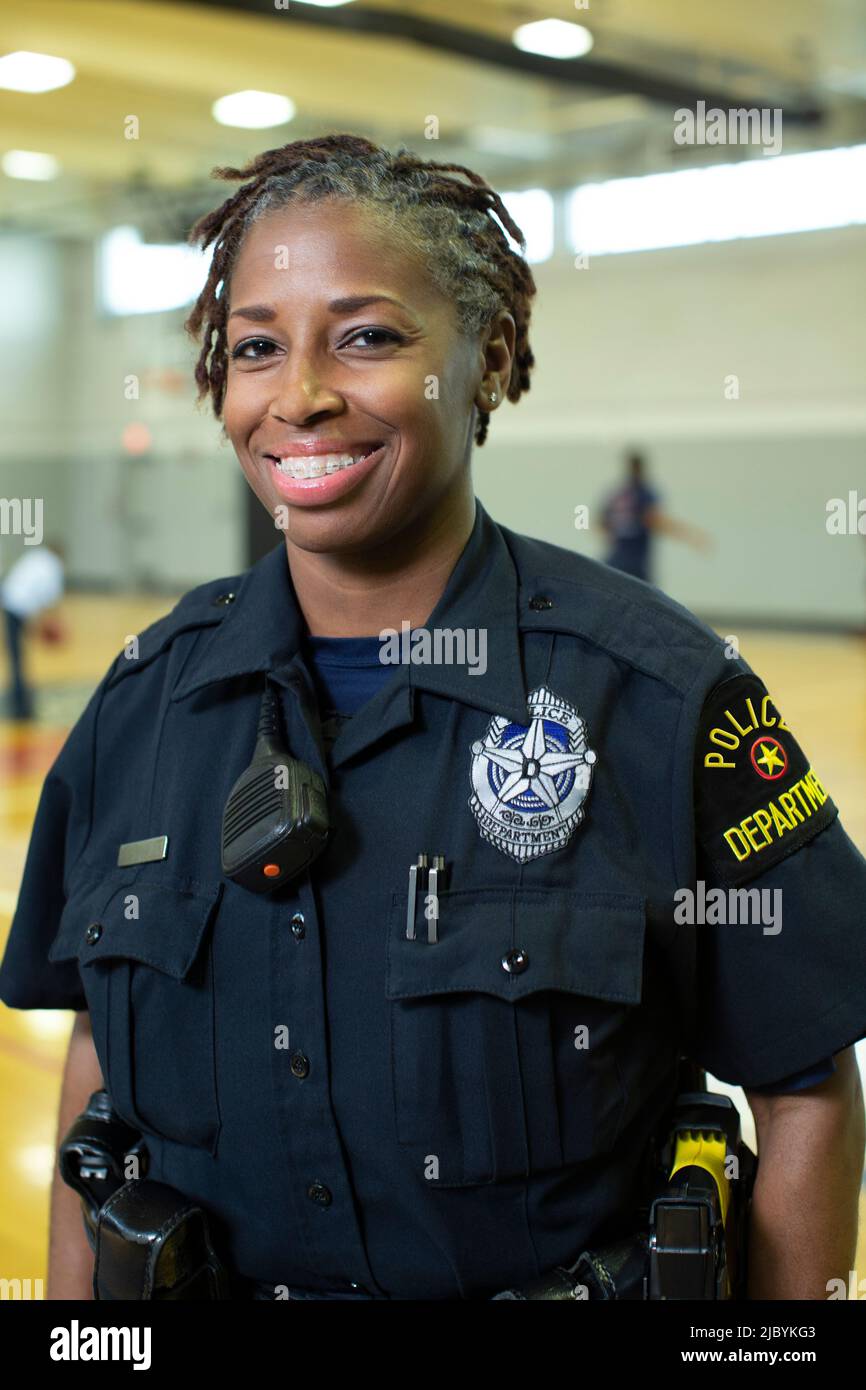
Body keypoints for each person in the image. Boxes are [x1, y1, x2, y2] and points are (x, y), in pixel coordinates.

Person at [0, 134, 864, 1302]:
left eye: (365, 337)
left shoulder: (660, 697)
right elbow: (97, 1065)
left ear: (488, 357)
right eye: (255, 347)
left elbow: (803, 1087)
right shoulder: (141, 704)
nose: (298, 394)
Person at [600, 450, 709, 584]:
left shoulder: (618, 493)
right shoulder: (644, 493)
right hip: (636, 562)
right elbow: (655, 520)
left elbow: (602, 523)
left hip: (615, 559)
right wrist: (689, 535)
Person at [1, 539, 65, 720]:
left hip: (9, 600)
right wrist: (51, 626)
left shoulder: (35, 555)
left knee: (16, 656)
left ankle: (19, 699)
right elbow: (49, 603)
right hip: (18, 606)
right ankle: (21, 706)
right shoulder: (53, 567)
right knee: (18, 658)